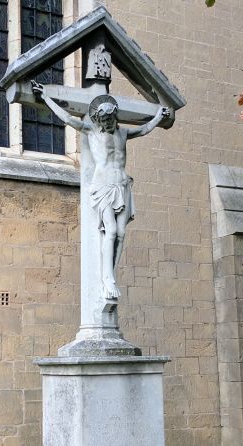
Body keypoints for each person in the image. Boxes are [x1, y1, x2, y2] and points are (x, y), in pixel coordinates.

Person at [32, 81, 171, 299]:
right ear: (97, 118)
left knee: (121, 234)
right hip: (103, 185)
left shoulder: (122, 133)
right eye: (103, 119)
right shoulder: (91, 131)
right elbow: (68, 119)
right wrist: (47, 98)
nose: (107, 122)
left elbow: (143, 130)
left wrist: (158, 118)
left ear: (114, 116)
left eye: (110, 118)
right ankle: (107, 279)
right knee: (111, 231)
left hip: (123, 183)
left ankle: (111, 273)